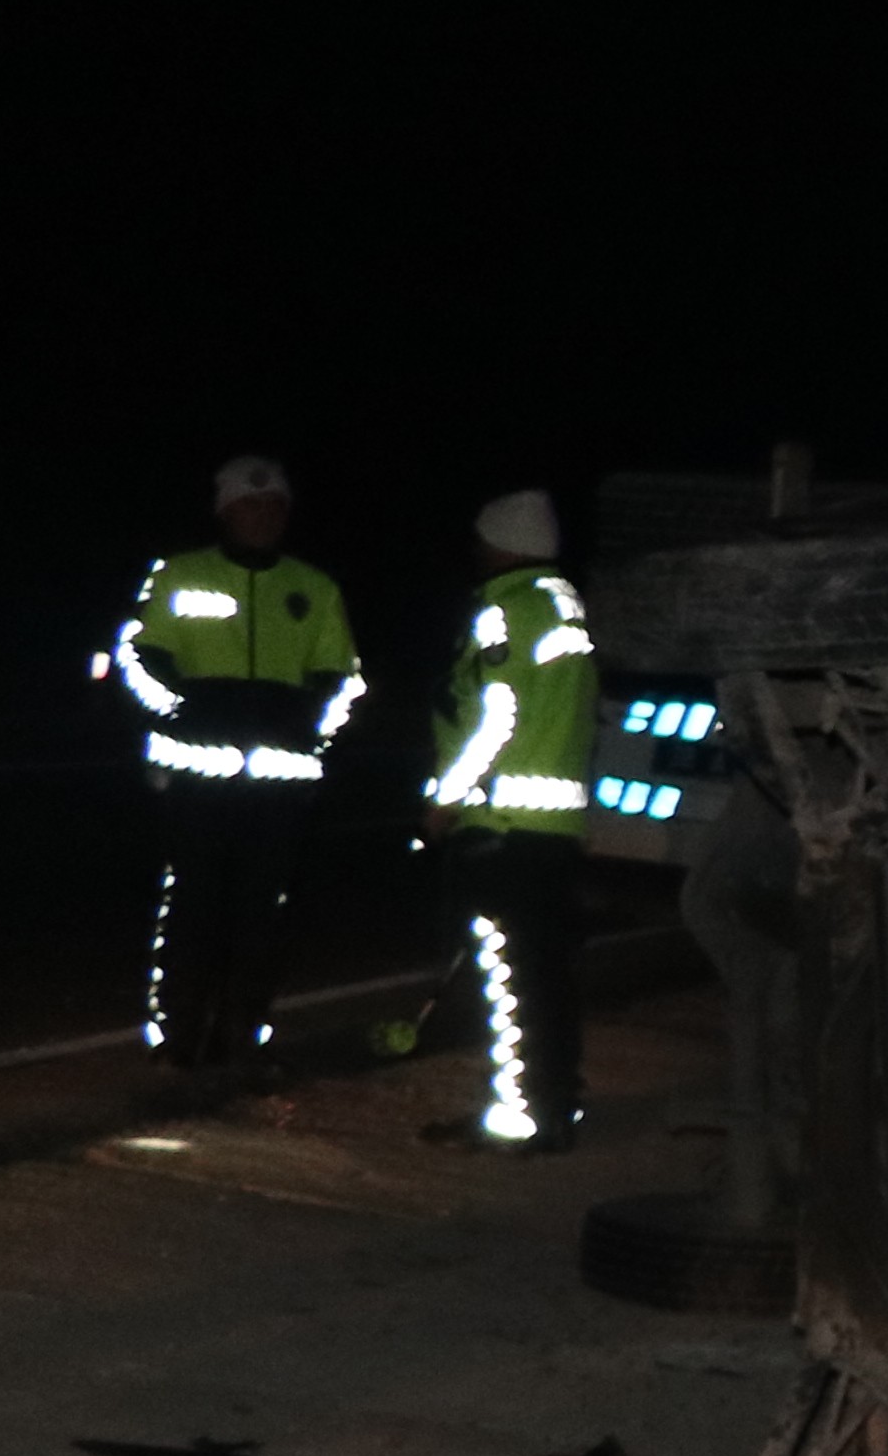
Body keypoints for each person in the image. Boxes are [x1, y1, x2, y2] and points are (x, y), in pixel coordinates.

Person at [106, 453, 362, 1071]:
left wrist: (310, 738)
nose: (262, 516)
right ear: (223, 510)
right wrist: (184, 716)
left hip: (279, 785)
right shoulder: (176, 574)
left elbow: (343, 680)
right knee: (191, 908)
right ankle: (178, 1038)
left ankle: (244, 1036)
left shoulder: (315, 587)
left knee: (263, 916)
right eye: (248, 505)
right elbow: (135, 658)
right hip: (195, 779)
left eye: (274, 505)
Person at [423, 489, 599, 1145]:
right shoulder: (566, 606)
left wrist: (446, 797)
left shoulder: (506, 610)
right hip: (554, 827)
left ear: (501, 541)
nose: (475, 550)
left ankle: (518, 1116)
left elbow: (496, 718)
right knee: (548, 978)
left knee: (508, 976)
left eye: (481, 538)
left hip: (503, 824)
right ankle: (554, 1107)